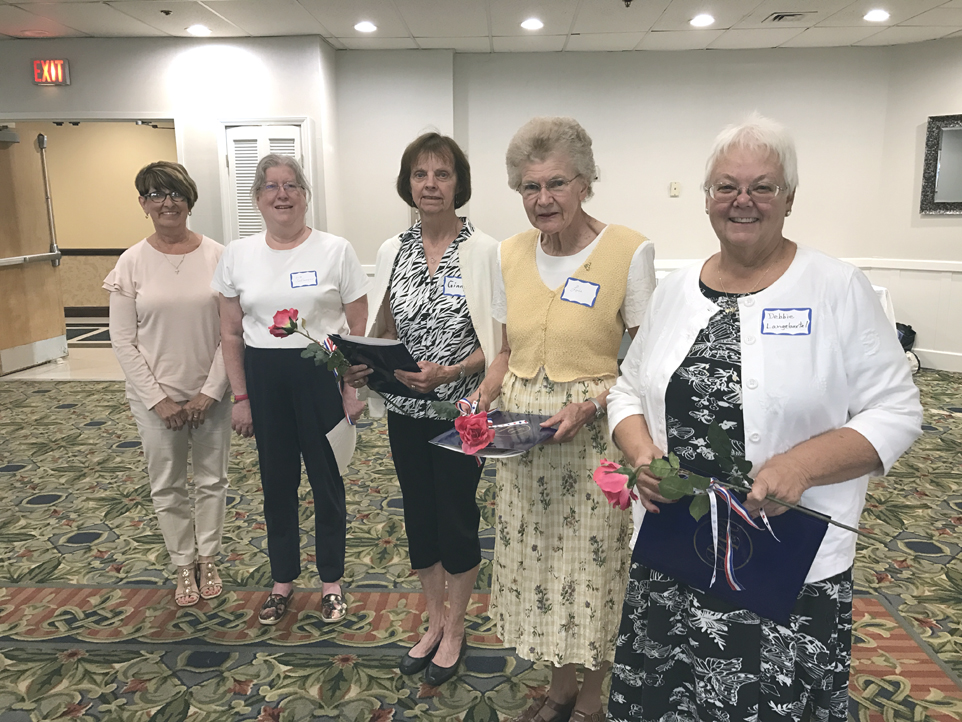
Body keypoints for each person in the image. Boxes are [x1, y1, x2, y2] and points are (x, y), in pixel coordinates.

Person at [605, 114, 923, 722]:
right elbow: (627, 390)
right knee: (670, 697)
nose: (742, 200)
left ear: (790, 198)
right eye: (726, 186)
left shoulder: (836, 287)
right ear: (707, 199)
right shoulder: (675, 291)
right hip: (676, 550)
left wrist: (800, 467)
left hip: (783, 563)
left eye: (763, 187)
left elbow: (898, 409)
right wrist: (642, 454)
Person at [474, 117, 656, 722]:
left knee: (592, 569)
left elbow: (644, 364)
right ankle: (558, 688)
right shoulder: (508, 254)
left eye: (557, 183)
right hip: (524, 446)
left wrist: (591, 404)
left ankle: (591, 698)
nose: (543, 199)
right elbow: (506, 351)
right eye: (530, 187)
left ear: (585, 183)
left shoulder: (628, 251)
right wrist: (482, 397)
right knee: (539, 566)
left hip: (595, 443)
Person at [343, 132, 501, 686]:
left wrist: (452, 372)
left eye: (442, 174)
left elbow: (500, 343)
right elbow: (384, 326)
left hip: (464, 412)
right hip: (406, 411)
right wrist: (361, 361)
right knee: (419, 516)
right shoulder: (394, 249)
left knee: (457, 517)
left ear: (459, 183)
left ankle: (456, 629)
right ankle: (433, 623)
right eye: (420, 174)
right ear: (407, 184)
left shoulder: (486, 251)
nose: (430, 184)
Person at [212, 154, 368, 626]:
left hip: (320, 378)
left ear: (304, 195)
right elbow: (231, 334)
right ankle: (282, 581)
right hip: (265, 380)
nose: (282, 195)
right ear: (258, 198)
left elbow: (357, 327)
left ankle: (331, 581)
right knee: (277, 484)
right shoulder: (237, 254)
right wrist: (241, 398)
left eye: (291, 185)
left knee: (327, 482)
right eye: (271, 186)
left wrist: (352, 390)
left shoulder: (335, 250)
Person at [105, 161, 231, 608]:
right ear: (143, 204)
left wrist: (210, 391)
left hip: (211, 395)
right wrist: (157, 399)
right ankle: (182, 562)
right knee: (167, 484)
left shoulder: (218, 256)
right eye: (155, 195)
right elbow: (122, 340)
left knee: (212, 480)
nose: (167, 203)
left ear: (190, 201)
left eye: (176, 193)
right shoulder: (131, 262)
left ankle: (208, 557)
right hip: (153, 400)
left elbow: (231, 332)